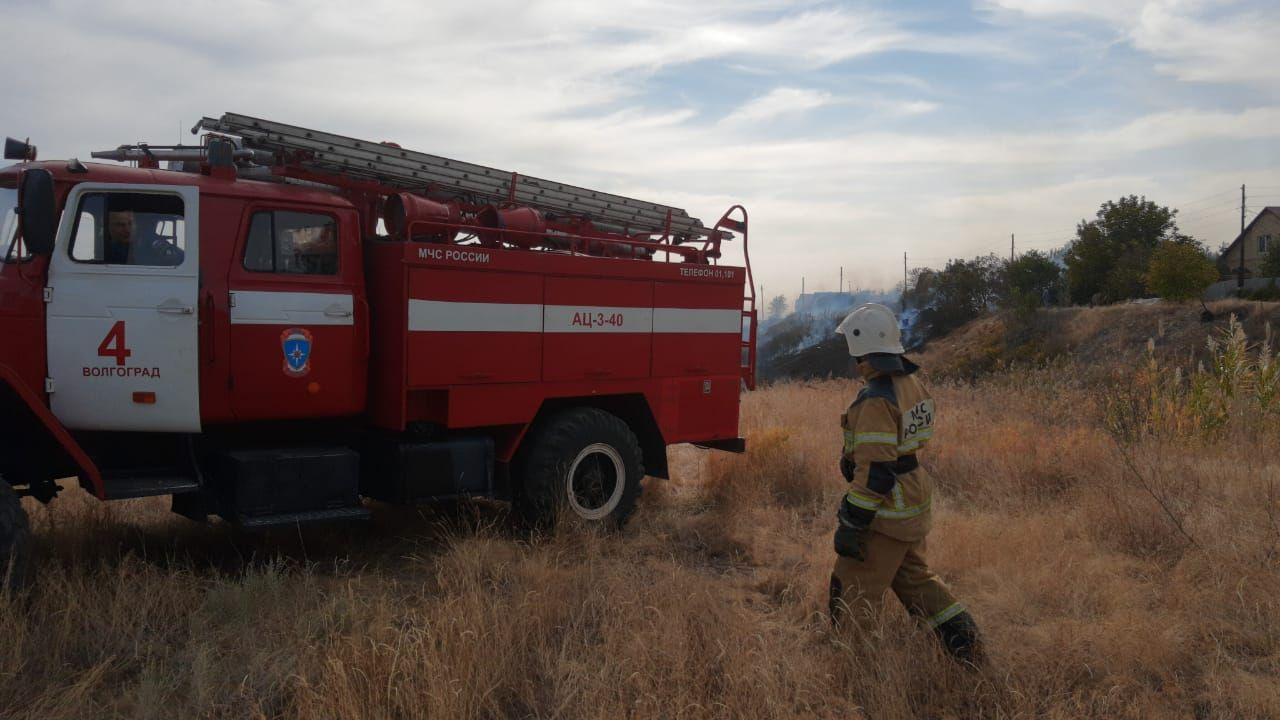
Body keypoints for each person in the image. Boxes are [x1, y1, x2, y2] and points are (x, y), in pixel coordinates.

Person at [828, 302, 982, 665]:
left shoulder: (876, 400)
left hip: (886, 511)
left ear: (860, 347)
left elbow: (877, 472)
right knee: (916, 581)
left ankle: (853, 668)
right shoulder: (911, 382)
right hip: (912, 498)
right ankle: (967, 646)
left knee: (853, 587)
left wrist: (852, 521)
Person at [104, 210, 183, 266]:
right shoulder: (107, 249)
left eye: (130, 223)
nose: (127, 229)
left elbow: (179, 258)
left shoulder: (151, 243)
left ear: (136, 225)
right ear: (109, 227)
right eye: (120, 225)